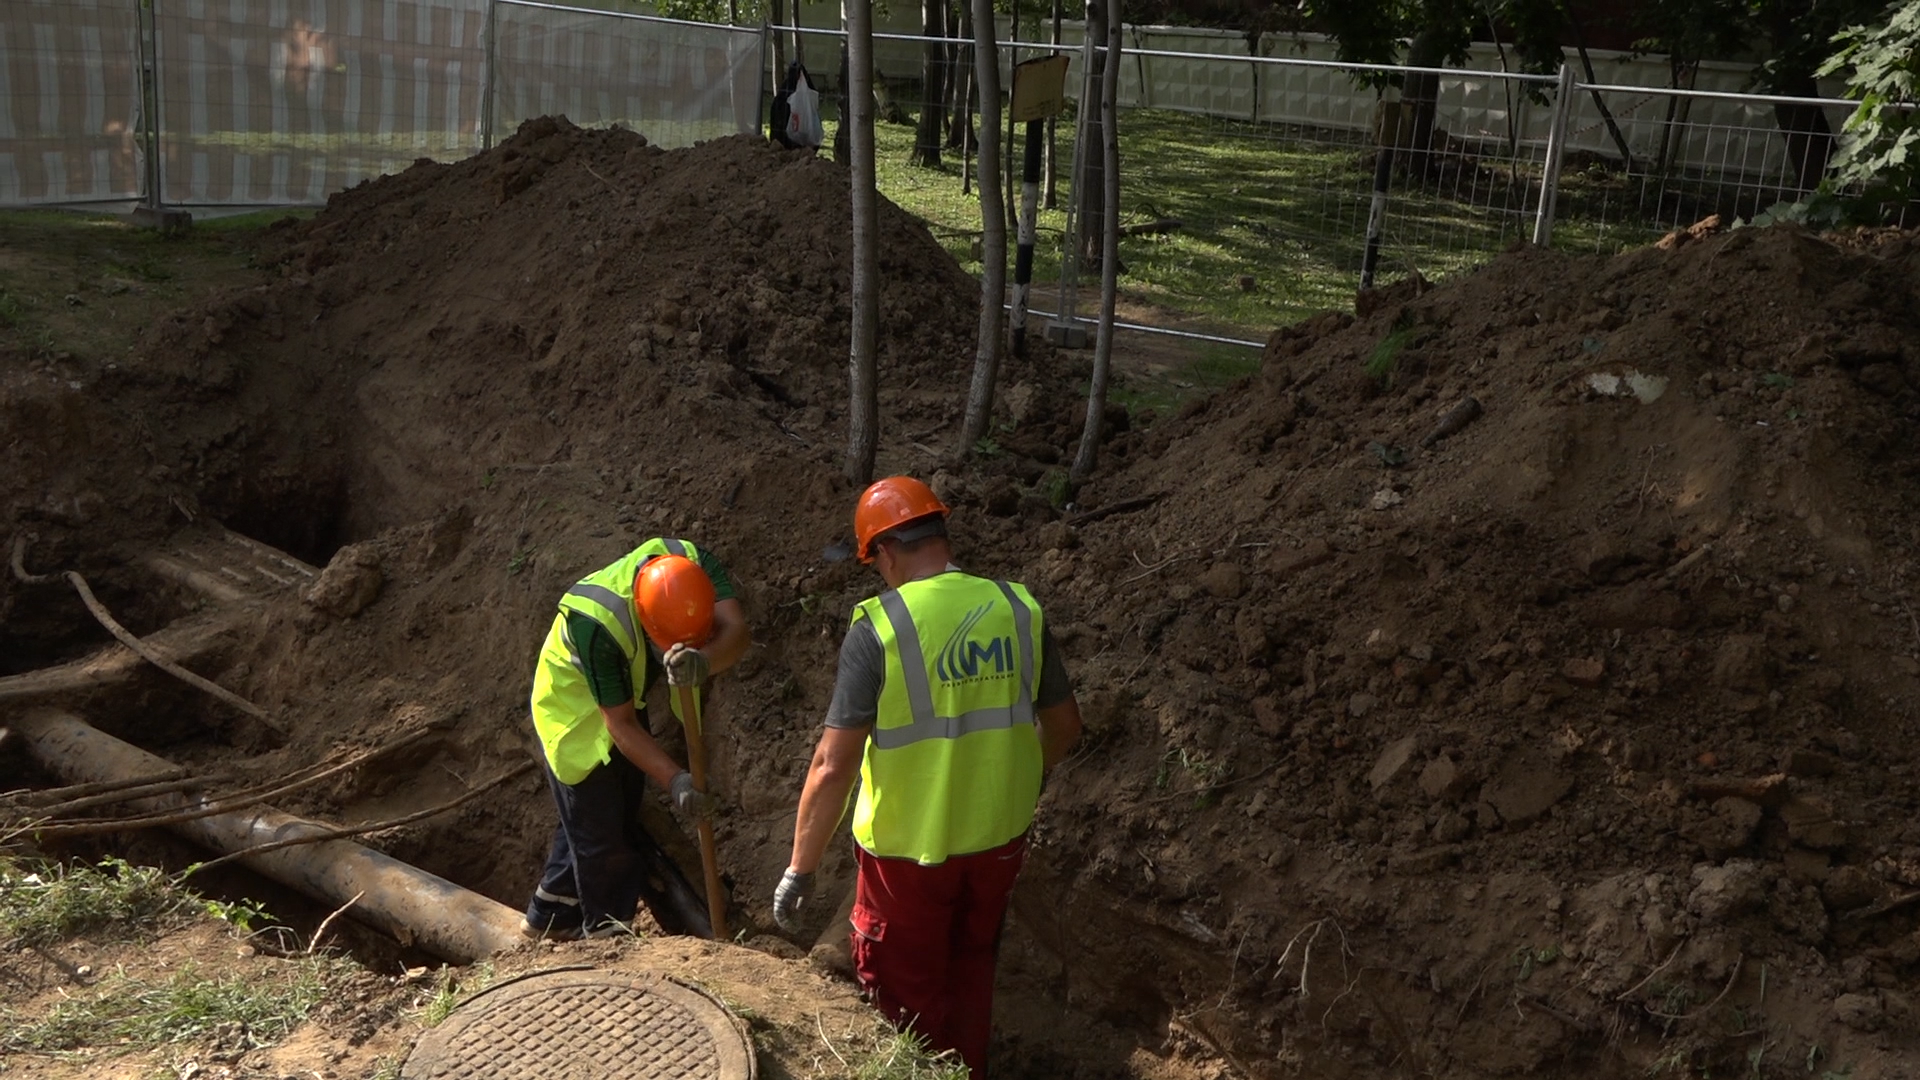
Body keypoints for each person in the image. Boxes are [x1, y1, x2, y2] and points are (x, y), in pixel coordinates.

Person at [772, 477, 1082, 1078]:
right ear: (940, 535)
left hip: (906, 857)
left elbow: (833, 765)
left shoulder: (880, 627)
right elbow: (1065, 725)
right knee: (971, 969)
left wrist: (801, 868)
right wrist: (1024, 773)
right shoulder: (1015, 607)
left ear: (884, 553)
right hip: (998, 842)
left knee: (901, 999)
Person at [523, 537, 751, 940]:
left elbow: (736, 630)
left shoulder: (692, 565)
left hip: (624, 683)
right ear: (645, 622)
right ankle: (608, 937)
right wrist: (677, 781)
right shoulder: (596, 626)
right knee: (601, 831)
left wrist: (704, 661)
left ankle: (549, 914)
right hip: (572, 705)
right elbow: (620, 724)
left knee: (617, 805)